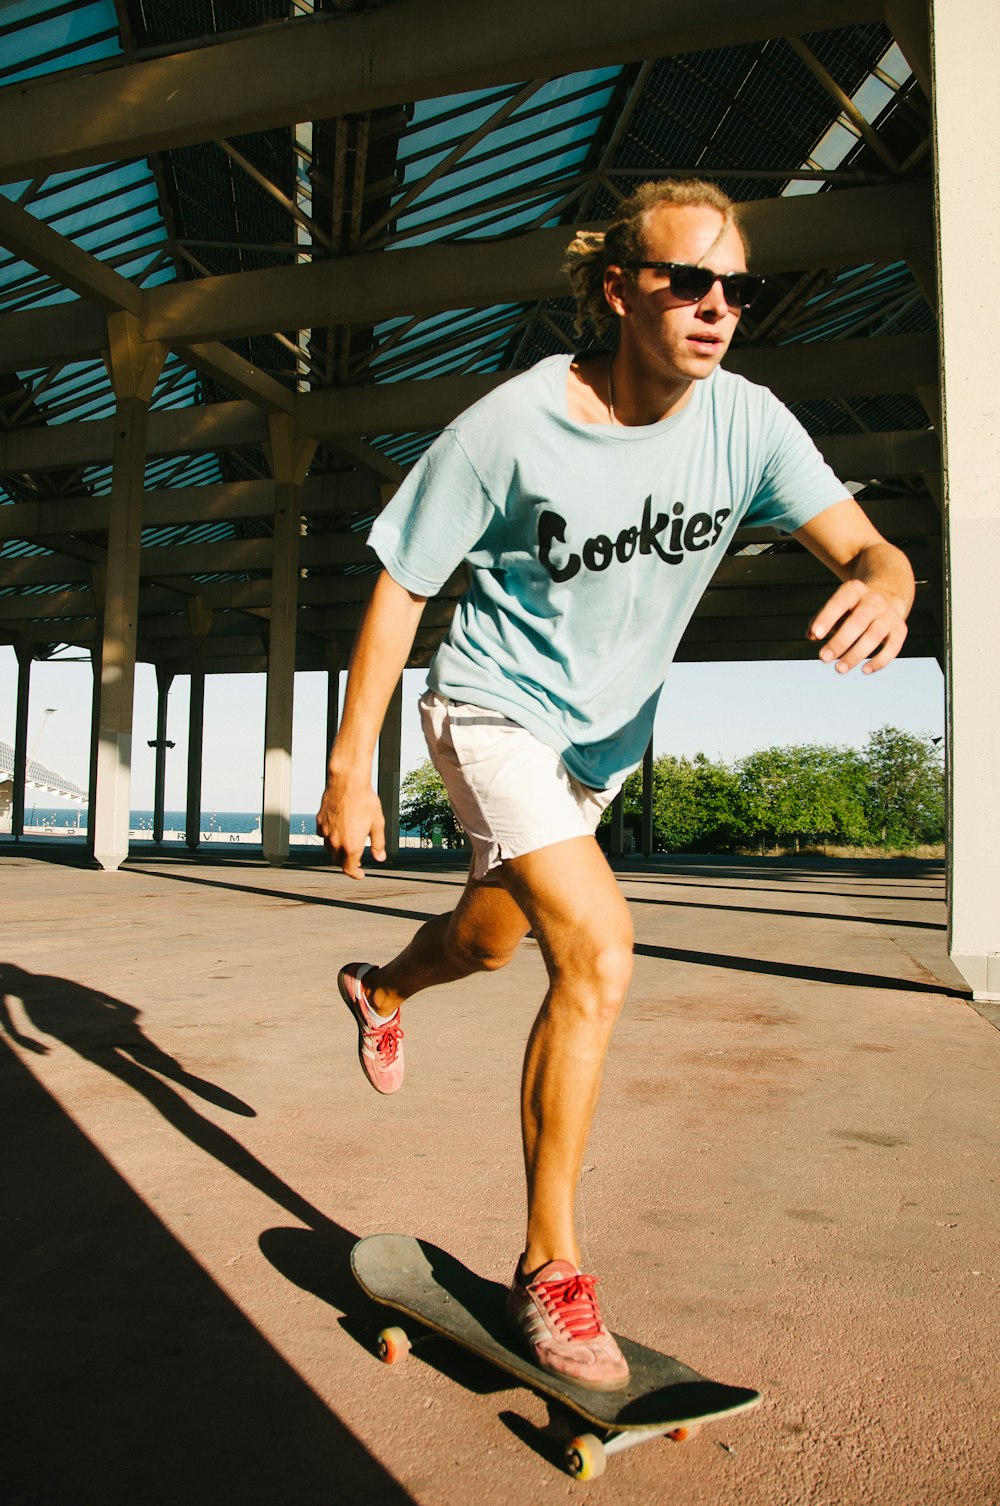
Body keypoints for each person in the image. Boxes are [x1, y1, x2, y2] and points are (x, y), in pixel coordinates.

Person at [316, 179, 915, 1391]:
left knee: (490, 941)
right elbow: (402, 581)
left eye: (734, 288)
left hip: (597, 743)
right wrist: (349, 765)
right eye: (687, 281)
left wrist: (891, 582)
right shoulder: (513, 425)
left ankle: (381, 986)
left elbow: (862, 542)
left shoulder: (746, 423)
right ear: (618, 290)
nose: (715, 307)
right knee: (597, 947)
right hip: (491, 706)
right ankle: (553, 1270)